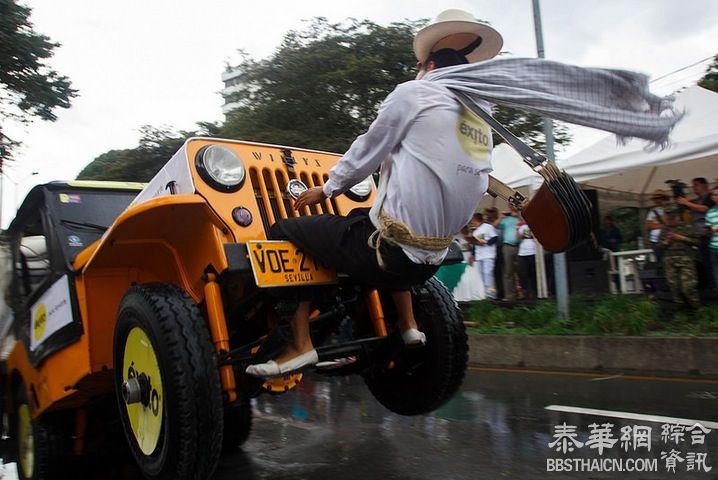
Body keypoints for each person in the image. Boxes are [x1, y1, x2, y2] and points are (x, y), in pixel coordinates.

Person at [246, 9, 504, 377]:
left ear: (428, 65)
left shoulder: (415, 93)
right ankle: (408, 324)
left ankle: (300, 344)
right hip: (432, 260)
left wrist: (327, 188)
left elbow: (369, 149)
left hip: (393, 255)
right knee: (362, 220)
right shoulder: (480, 120)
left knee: (286, 231)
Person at [659, 204, 701, 310]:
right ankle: (681, 310)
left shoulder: (686, 227)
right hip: (670, 261)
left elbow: (697, 242)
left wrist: (682, 238)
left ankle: (697, 308)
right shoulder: (664, 230)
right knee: (674, 287)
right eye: (669, 217)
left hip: (685, 260)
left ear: (677, 216)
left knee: (688, 287)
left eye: (673, 217)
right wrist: (667, 242)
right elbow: (659, 246)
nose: (671, 220)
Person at [676, 177, 716, 288]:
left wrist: (687, 203)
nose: (694, 188)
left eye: (696, 185)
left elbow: (704, 209)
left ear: (704, 185)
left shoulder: (711, 196)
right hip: (700, 235)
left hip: (711, 234)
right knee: (706, 262)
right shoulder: (696, 200)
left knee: (713, 262)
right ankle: (712, 285)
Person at [471, 212, 499, 299]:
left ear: (477, 219)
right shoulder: (475, 231)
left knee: (488, 274)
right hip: (479, 256)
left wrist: (486, 242)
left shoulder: (488, 227)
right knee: (481, 275)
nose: (472, 222)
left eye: (473, 220)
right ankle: (484, 293)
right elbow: (474, 245)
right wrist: (473, 255)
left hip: (488, 255)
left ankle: (491, 293)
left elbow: (495, 238)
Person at [497, 205, 520, 301]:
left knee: (522, 272)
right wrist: (501, 216)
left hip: (520, 247)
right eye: (511, 207)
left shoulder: (521, 218)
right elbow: (497, 227)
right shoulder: (505, 220)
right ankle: (510, 295)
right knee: (508, 272)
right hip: (508, 247)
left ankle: (524, 293)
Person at [645, 189, 670, 263]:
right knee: (659, 262)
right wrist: (662, 226)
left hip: (667, 239)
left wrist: (665, 208)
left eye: (659, 198)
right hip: (655, 241)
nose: (657, 200)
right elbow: (648, 225)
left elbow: (669, 222)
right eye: (655, 199)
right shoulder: (652, 212)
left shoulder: (669, 209)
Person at [516, 218, 537, 299]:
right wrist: (517, 229)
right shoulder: (522, 227)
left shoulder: (535, 225)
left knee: (532, 272)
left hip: (533, 251)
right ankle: (524, 291)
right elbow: (517, 238)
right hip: (522, 252)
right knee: (523, 273)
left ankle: (533, 291)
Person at [705, 187, 718, 291]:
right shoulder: (710, 212)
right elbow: (708, 231)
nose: (715, 197)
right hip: (714, 247)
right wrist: (710, 231)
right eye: (714, 195)